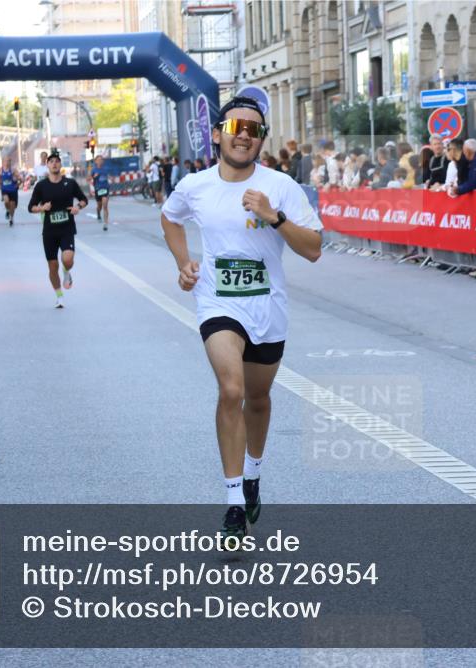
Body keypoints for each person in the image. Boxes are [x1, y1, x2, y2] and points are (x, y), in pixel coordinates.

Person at [159, 96, 323, 544]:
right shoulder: (195, 186)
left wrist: (274, 217)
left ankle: (252, 475)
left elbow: (313, 249)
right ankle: (234, 503)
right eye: (236, 127)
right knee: (231, 390)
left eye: (254, 129)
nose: (244, 135)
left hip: (267, 308)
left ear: (261, 140)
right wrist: (183, 262)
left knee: (258, 399)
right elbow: (170, 219)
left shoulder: (280, 186)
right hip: (218, 304)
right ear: (218, 134)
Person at [28, 150, 88, 308]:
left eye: (57, 161)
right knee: (52, 267)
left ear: (60, 165)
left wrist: (78, 207)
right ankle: (59, 296)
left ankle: (66, 271)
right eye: (51, 161)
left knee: (67, 259)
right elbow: (31, 207)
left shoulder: (70, 183)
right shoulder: (41, 186)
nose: (54, 163)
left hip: (67, 228)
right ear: (47, 165)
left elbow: (84, 199)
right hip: (49, 232)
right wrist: (42, 208)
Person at [90, 154, 111, 230]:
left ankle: (105, 224)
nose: (100, 161)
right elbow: (88, 178)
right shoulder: (93, 170)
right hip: (98, 189)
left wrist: (110, 178)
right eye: (98, 160)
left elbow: (109, 176)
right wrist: (94, 177)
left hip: (105, 188)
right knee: (100, 206)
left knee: (105, 205)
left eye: (101, 160)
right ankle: (98, 213)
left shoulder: (106, 169)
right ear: (96, 161)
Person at [0, 157, 21, 226]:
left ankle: (11, 218)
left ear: (10, 162)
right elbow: (0, 180)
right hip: (5, 189)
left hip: (13, 190)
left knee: (12, 206)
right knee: (6, 201)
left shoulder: (13, 170)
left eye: (8, 161)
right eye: (5, 161)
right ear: (3, 162)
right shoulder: (1, 170)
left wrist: (17, 183)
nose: (7, 163)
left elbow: (20, 179)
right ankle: (7, 210)